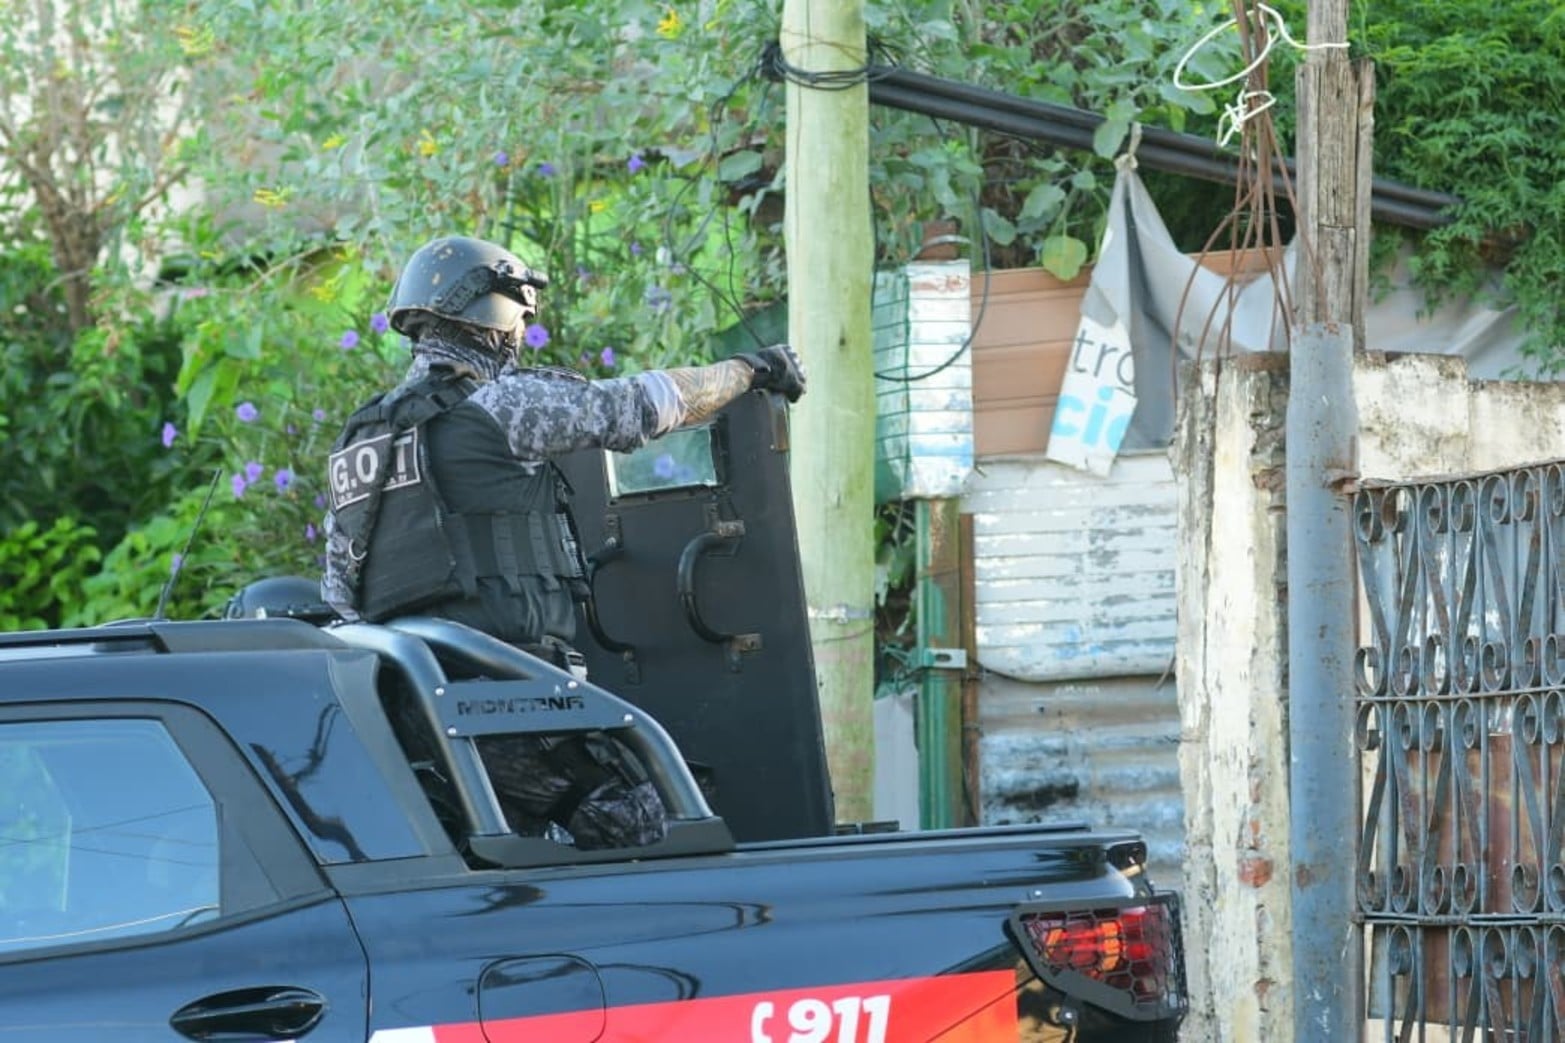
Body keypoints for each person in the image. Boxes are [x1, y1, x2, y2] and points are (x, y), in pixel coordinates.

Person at [320, 234, 805, 849]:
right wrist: (751, 370)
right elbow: (642, 406)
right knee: (665, 831)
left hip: (411, 713)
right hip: (508, 705)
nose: (522, 336)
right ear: (495, 320)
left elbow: (339, 591)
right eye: (521, 318)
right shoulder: (500, 406)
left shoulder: (361, 441)